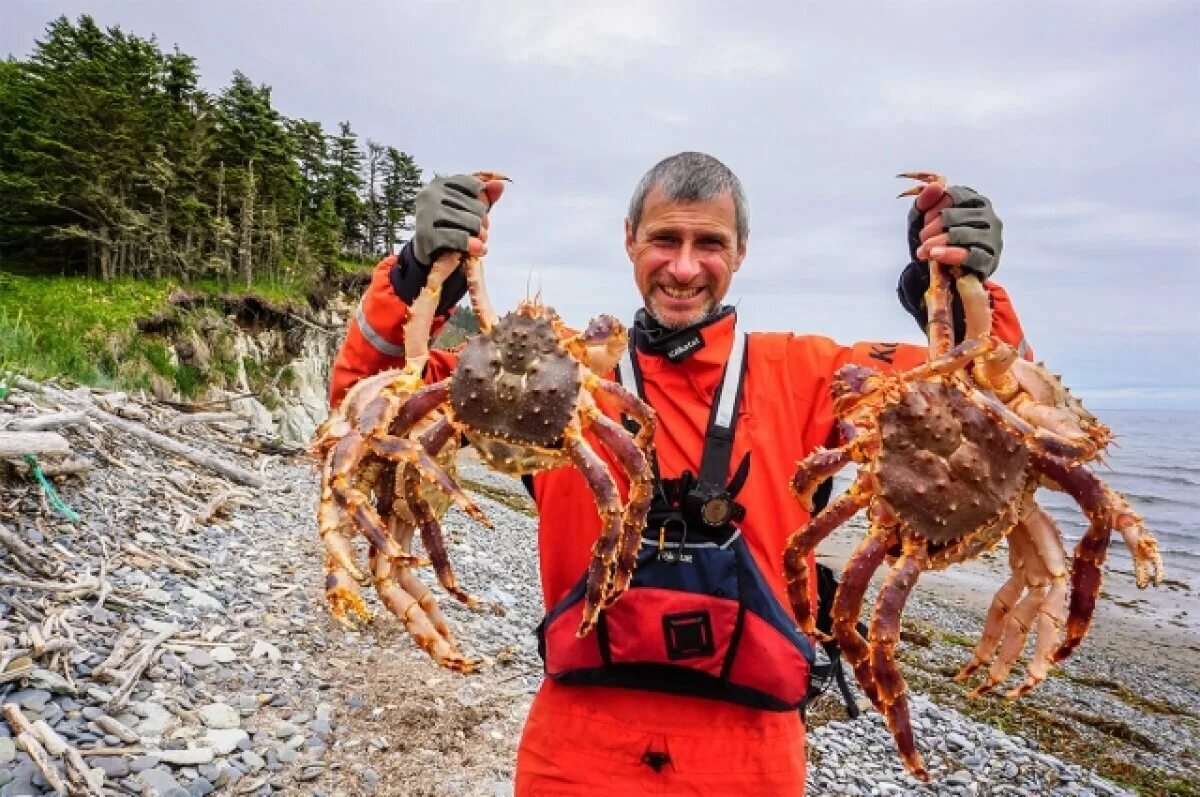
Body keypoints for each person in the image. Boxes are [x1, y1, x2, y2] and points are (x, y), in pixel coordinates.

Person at [328, 153, 1030, 795]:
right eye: (665, 239)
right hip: (573, 750)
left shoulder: (814, 373)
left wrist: (953, 285)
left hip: (753, 757)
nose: (685, 267)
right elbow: (371, 402)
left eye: (710, 244)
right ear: (630, 239)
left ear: (741, 252)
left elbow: (992, 412)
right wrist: (417, 276)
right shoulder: (552, 377)